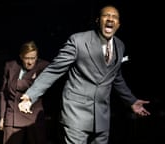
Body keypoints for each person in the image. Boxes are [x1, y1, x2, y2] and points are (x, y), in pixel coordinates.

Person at [18, 4, 150, 144]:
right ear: (98, 20)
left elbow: (116, 77)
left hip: (101, 117)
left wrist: (131, 101)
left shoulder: (120, 46)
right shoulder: (78, 41)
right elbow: (54, 69)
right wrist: (30, 96)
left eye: (114, 17)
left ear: (118, 24)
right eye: (106, 15)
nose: (110, 19)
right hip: (76, 114)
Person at [0, 40, 50, 144]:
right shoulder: (11, 66)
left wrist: (23, 83)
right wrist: (2, 117)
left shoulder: (44, 67)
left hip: (34, 118)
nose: (30, 62)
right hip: (12, 116)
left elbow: (43, 88)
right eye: (27, 58)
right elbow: (4, 93)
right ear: (21, 56)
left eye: (33, 58)